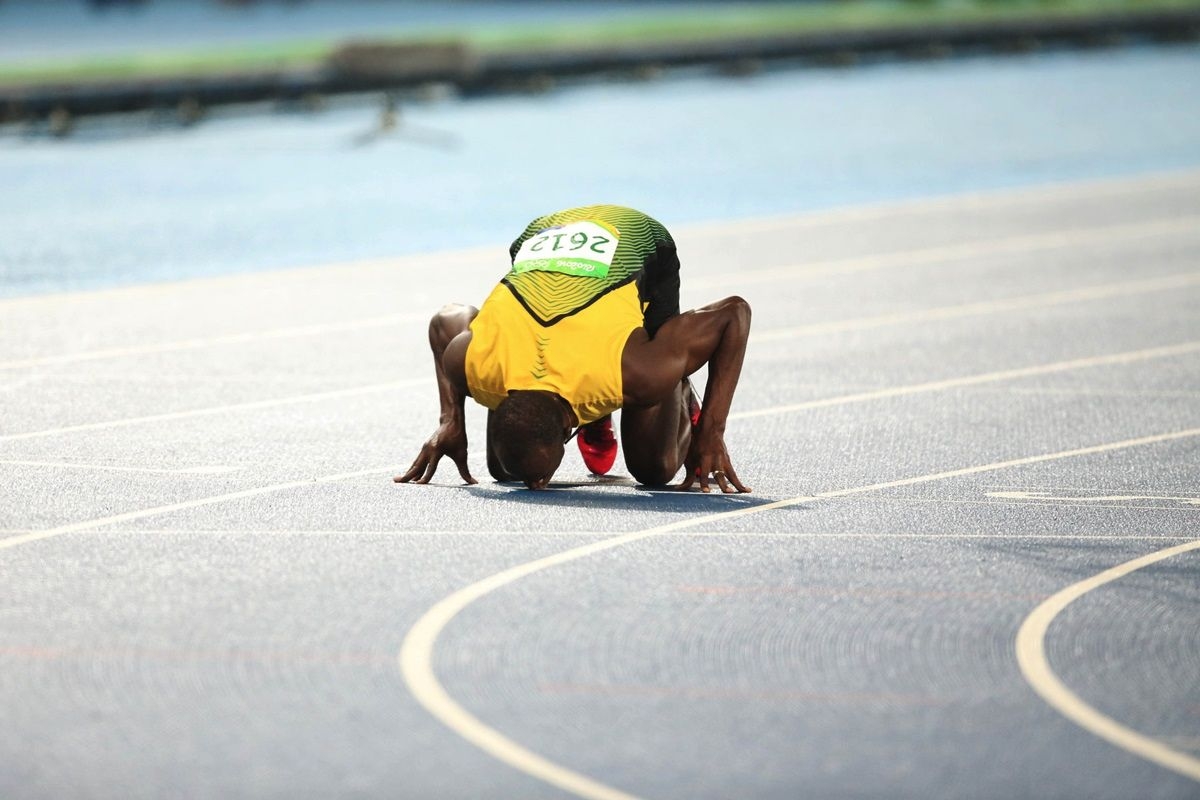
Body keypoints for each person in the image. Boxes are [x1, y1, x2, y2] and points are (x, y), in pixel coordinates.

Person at [395, 205, 751, 492]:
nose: (537, 485)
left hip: (636, 239)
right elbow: (446, 320)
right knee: (504, 471)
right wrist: (451, 421)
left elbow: (733, 313)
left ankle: (676, 387)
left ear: (568, 430)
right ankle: (597, 410)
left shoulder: (636, 371)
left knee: (654, 468)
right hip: (541, 235)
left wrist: (711, 432)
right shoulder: (473, 365)